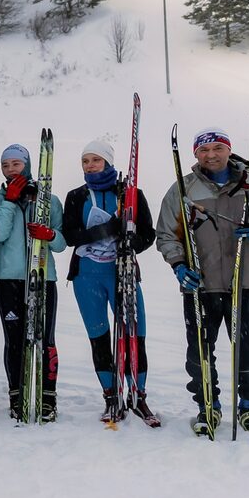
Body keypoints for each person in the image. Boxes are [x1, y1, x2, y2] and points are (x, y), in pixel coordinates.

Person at [156, 127, 249, 437]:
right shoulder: (184, 188)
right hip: (201, 284)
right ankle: (208, 405)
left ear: (228, 150)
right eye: (204, 151)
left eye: (217, 149)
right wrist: (179, 265)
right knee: (200, 351)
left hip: (246, 280)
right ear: (195, 154)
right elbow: (166, 234)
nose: (211, 155)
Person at [62, 138, 159, 426]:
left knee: (134, 334)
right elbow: (70, 236)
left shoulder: (130, 193)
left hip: (122, 273)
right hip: (86, 276)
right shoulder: (76, 195)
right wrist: (106, 229)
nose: (90, 166)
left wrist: (131, 242)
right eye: (85, 161)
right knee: (99, 337)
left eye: (96, 160)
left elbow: (148, 234)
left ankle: (138, 395)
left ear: (108, 162)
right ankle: (111, 396)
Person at [0, 143, 66, 421]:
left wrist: (49, 235)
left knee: (45, 339)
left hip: (43, 276)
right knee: (15, 339)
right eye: (5, 165)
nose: (10, 170)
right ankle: (17, 395)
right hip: (8, 279)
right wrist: (9, 200)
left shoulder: (48, 200)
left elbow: (62, 244)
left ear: (27, 165)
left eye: (16, 164)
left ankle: (47, 397)